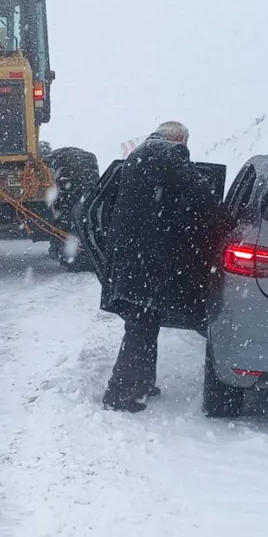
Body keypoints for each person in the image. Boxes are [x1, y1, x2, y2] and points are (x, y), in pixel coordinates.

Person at [99, 121, 227, 413]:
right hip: (146, 258)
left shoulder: (141, 154)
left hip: (130, 255)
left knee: (146, 318)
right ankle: (117, 393)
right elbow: (199, 193)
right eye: (186, 144)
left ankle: (143, 381)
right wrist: (224, 219)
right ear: (180, 139)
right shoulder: (170, 152)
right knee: (141, 323)